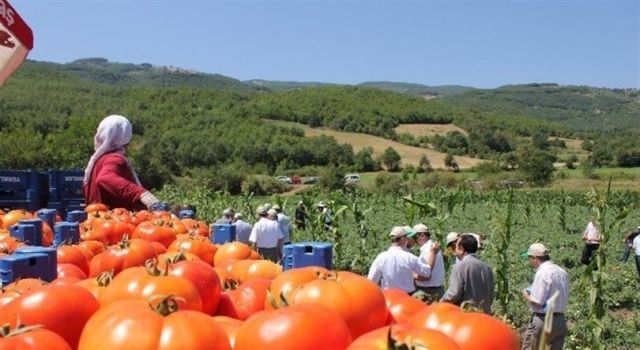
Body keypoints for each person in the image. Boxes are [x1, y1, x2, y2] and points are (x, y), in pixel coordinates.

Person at [83, 114, 160, 211]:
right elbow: (105, 178)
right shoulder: (115, 159)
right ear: (125, 137)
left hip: (97, 221)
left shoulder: (99, 160)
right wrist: (142, 194)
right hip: (114, 222)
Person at [521, 243, 570, 350]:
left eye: (529, 258)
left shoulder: (542, 273)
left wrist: (525, 294)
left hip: (543, 321)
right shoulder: (562, 272)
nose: (530, 261)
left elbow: (537, 302)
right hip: (560, 321)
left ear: (535, 258)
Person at [367, 226, 439, 294]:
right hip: (406, 298)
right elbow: (427, 272)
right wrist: (433, 253)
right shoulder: (409, 258)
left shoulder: (381, 257)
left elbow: (371, 281)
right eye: (406, 237)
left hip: (388, 297)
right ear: (403, 239)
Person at [441, 234, 495, 314]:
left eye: (456, 247)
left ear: (461, 249)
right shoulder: (487, 267)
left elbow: (454, 294)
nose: (455, 250)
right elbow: (490, 296)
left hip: (467, 315)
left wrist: (441, 302)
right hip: (485, 316)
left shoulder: (460, 266)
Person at [413, 224, 445, 303]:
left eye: (414, 237)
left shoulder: (428, 250)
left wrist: (411, 275)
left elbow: (426, 275)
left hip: (428, 292)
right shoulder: (431, 247)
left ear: (422, 235)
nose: (413, 240)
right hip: (436, 289)